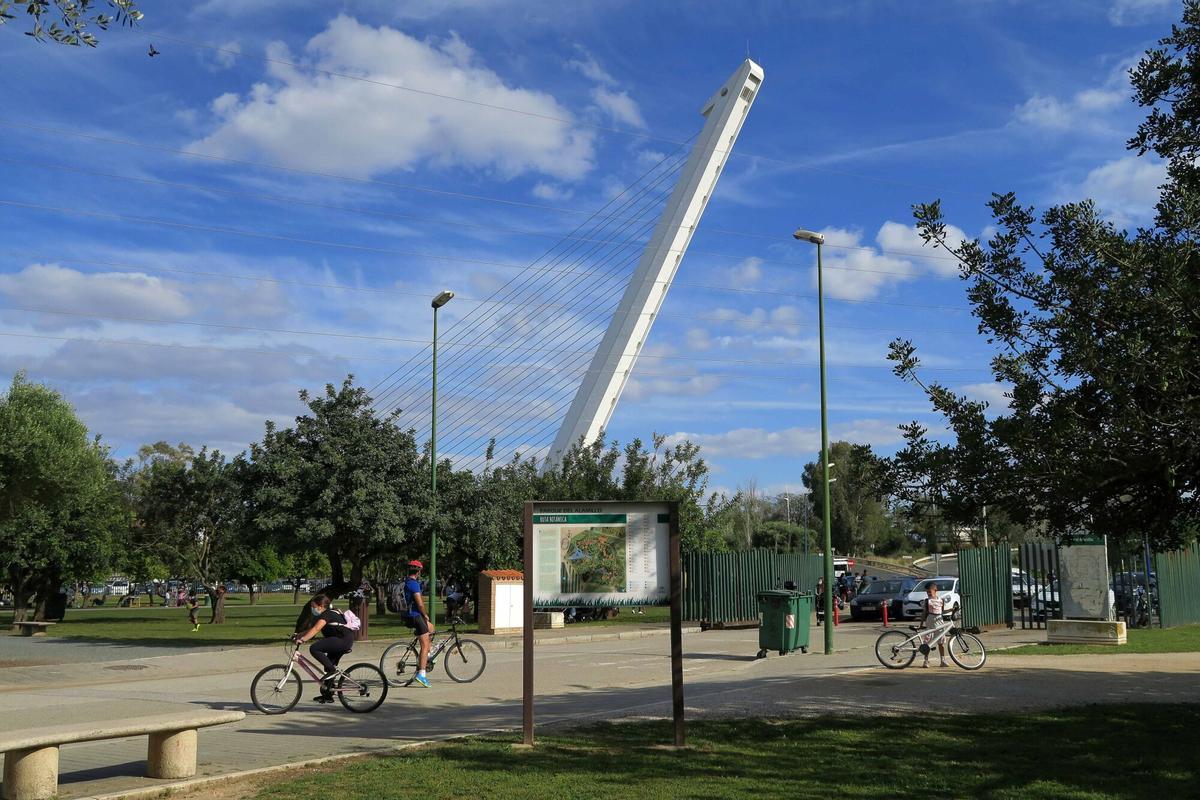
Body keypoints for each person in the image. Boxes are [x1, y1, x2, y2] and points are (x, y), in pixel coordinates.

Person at [294, 594, 354, 703]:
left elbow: (316, 629)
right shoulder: (326, 614)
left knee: (315, 648)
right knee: (328, 667)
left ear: (321, 606)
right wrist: (299, 635)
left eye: (313, 607)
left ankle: (332, 671)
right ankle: (327, 695)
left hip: (342, 641)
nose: (312, 609)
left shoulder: (326, 614)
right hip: (341, 640)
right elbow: (312, 629)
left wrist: (303, 640)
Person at [403, 560, 435, 688]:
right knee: (425, 645)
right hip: (415, 617)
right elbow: (420, 603)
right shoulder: (414, 584)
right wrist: (425, 615)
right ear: (419, 571)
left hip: (409, 615)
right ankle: (421, 674)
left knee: (431, 628)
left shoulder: (406, 582)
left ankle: (426, 656)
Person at [919, 582, 948, 668]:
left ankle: (943, 660)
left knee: (941, 642)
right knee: (927, 642)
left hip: (939, 622)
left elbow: (942, 611)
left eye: (930, 592)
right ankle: (926, 660)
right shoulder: (927, 601)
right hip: (930, 622)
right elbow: (924, 613)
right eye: (927, 592)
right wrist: (921, 624)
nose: (928, 594)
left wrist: (951, 609)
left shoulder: (941, 600)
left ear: (935, 591)